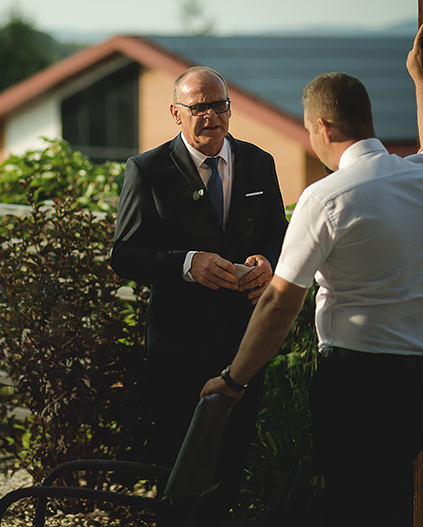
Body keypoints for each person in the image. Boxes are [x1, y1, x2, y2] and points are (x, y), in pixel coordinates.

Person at [201, 19, 423, 526]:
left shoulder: (326, 197)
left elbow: (280, 301)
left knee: (352, 507)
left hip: (357, 385)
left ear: (324, 128)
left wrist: (233, 379)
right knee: (390, 502)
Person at [111, 66, 288, 522]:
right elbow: (125, 254)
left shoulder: (258, 161)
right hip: (178, 345)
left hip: (243, 342)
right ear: (176, 113)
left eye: (219, 105)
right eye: (199, 107)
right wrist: (188, 264)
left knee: (232, 464)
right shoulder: (147, 169)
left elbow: (280, 234)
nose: (211, 115)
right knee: (177, 469)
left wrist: (268, 262)